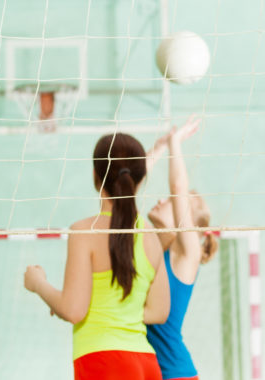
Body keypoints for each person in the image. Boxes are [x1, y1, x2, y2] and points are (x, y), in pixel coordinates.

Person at [23, 133, 170, 380]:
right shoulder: (149, 236)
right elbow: (159, 311)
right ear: (140, 180)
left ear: (95, 175)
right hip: (146, 364)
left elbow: (73, 310)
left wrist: (38, 284)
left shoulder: (84, 232)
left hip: (104, 362)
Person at [145, 116, 219, 380]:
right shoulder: (151, 247)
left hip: (176, 374)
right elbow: (125, 190)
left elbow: (178, 188)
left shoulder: (187, 255)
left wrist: (176, 143)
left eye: (173, 202)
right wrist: (160, 147)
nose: (161, 199)